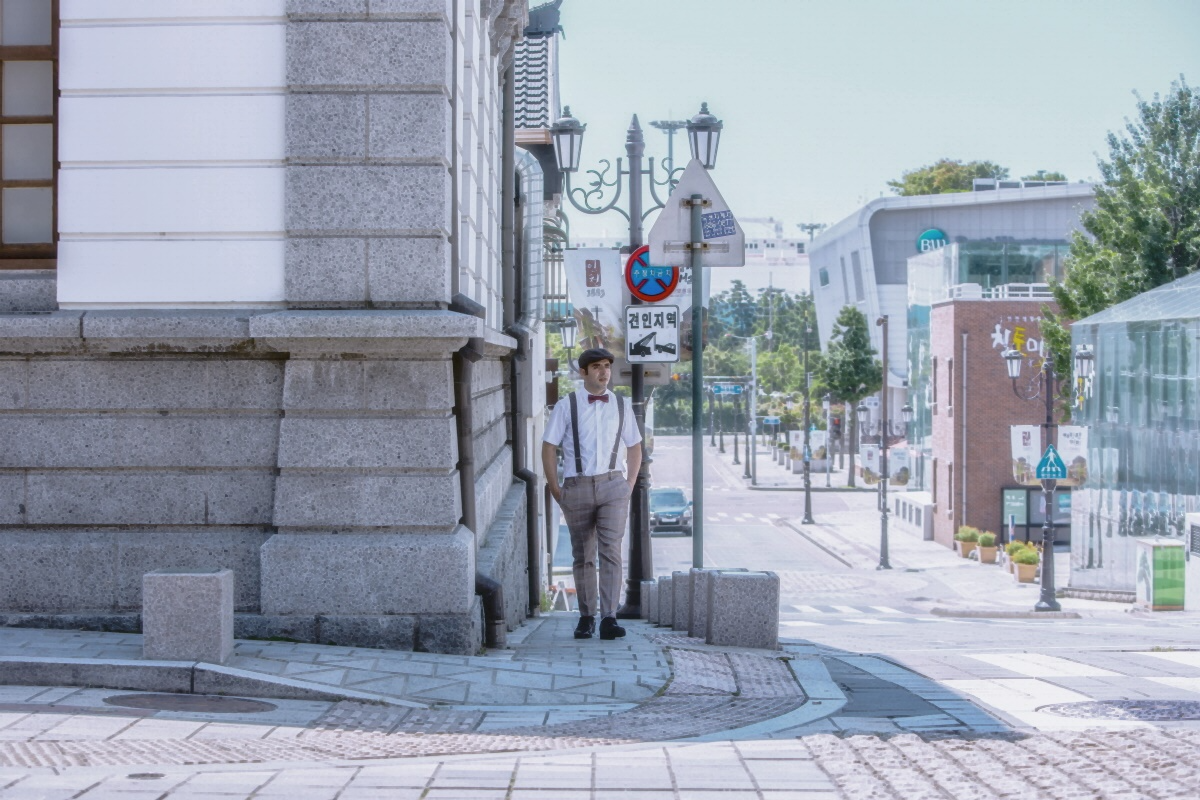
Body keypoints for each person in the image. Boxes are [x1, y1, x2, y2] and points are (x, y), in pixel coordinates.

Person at [542, 347, 642, 640]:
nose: (604, 372)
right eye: (597, 367)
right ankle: (586, 617)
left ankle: (608, 618)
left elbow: (635, 446)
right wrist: (555, 487)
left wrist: (629, 484)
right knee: (583, 554)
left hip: (613, 485)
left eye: (607, 366)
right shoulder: (566, 405)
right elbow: (548, 446)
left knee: (610, 551)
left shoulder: (622, 405)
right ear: (583, 372)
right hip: (577, 486)